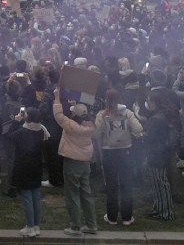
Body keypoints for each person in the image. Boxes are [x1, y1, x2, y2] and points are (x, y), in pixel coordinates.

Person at [93, 87, 143, 225]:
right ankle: (127, 217)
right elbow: (138, 129)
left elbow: (96, 134)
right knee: (127, 184)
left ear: (106, 100)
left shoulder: (102, 115)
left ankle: (112, 217)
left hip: (108, 151)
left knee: (111, 185)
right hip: (125, 151)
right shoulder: (127, 113)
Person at [52, 87, 97, 236]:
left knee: (72, 195)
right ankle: (91, 225)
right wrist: (76, 101)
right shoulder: (89, 125)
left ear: (75, 114)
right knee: (86, 193)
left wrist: (57, 97)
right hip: (85, 162)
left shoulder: (72, 126)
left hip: (72, 161)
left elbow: (58, 115)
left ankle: (75, 227)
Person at [4, 106, 48, 237]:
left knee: (27, 197)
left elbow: (8, 136)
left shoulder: (22, 132)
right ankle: (36, 225)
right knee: (35, 195)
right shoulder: (41, 130)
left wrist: (16, 121)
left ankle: (29, 226)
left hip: (23, 167)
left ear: (27, 117)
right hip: (36, 166)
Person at [143, 89, 176, 220]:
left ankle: (166, 212)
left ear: (153, 102)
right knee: (157, 184)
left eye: (148, 101)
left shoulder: (156, 119)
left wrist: (142, 135)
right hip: (160, 154)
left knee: (160, 184)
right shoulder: (162, 115)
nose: (147, 103)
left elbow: (151, 137)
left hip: (157, 155)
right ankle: (159, 209)